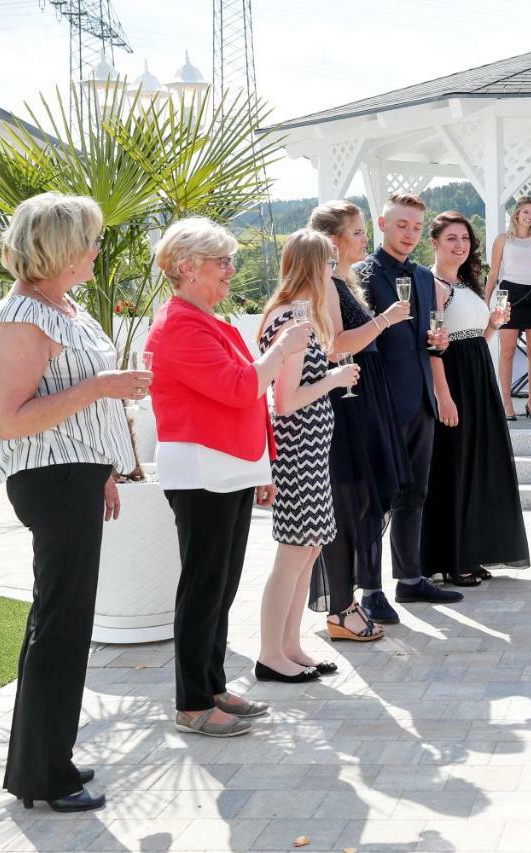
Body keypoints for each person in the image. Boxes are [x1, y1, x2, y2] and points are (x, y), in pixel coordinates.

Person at [0, 193, 143, 812]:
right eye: (92, 240)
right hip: (50, 481)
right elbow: (9, 421)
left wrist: (103, 468)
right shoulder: (22, 315)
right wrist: (101, 386)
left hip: (75, 476)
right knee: (61, 623)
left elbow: (78, 411)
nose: (99, 251)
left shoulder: (65, 308)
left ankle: (46, 761)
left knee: (64, 620)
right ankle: (46, 775)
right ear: (63, 247)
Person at [148, 217, 310, 737]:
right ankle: (193, 703)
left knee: (221, 586)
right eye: (222, 262)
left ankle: (212, 686)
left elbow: (249, 401)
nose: (230, 271)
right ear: (187, 268)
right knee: (203, 587)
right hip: (201, 471)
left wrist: (260, 465)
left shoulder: (208, 321)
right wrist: (282, 350)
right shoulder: (179, 325)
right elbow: (243, 387)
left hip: (229, 468)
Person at [253, 230, 360, 682]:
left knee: (309, 548)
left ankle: (290, 645)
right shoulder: (289, 321)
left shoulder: (299, 316)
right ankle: (269, 654)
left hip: (312, 448)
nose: (333, 273)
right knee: (293, 553)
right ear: (312, 267)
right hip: (297, 449)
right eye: (328, 265)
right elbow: (288, 399)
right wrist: (334, 379)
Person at [307, 200, 412, 638]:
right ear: (334, 240)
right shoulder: (326, 284)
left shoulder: (342, 280)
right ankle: (341, 607)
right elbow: (334, 346)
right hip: (349, 398)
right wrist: (385, 321)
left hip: (368, 393)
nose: (365, 240)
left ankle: (355, 598)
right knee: (348, 501)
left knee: (367, 499)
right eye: (358, 233)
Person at [356, 192, 462, 619]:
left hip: (420, 399)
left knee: (414, 493)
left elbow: (426, 334)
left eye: (417, 228)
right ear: (382, 223)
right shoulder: (361, 274)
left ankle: (411, 579)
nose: (410, 234)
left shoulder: (422, 276)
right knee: (375, 498)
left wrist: (438, 342)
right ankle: (368, 589)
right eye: (403, 225)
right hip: (377, 401)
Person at [422, 211, 530, 584]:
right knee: (455, 466)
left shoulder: (468, 284)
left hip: (478, 376)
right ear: (434, 243)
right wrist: (444, 396)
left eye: (465, 239)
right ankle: (453, 559)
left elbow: (476, 339)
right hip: (454, 380)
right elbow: (434, 348)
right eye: (452, 238)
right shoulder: (432, 285)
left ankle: (473, 550)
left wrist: (494, 323)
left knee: (480, 464)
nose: (460, 246)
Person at [485, 197, 531, 420]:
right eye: (526, 212)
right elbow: (493, 273)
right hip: (508, 294)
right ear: (517, 214)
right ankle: (506, 403)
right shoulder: (503, 239)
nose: (529, 216)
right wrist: (485, 302)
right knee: (507, 351)